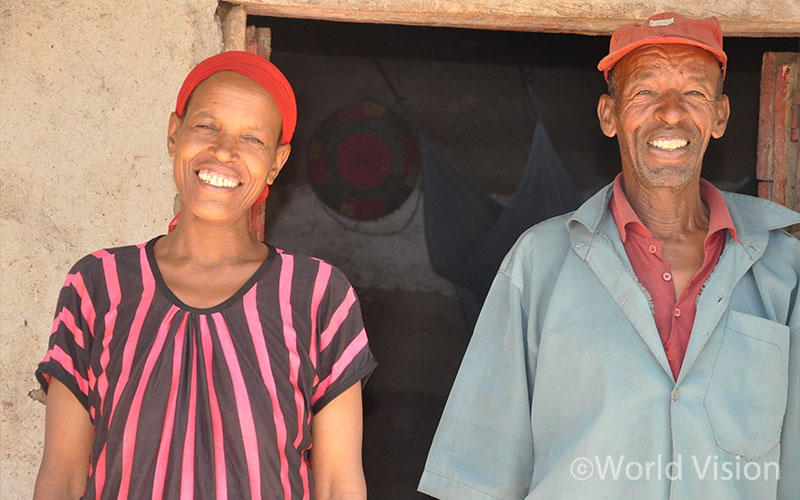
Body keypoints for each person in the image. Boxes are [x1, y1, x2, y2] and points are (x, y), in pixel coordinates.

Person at [419, 12, 799, 500]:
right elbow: (478, 477)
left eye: (694, 94)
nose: (670, 113)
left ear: (721, 116)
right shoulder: (539, 263)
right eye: (645, 92)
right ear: (608, 114)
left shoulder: (783, 270)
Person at [33, 51, 377, 500]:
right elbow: (62, 477)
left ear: (277, 161)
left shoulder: (317, 295)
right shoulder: (98, 285)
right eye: (207, 126)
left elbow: (337, 485)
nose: (224, 151)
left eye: (252, 139)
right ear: (174, 133)